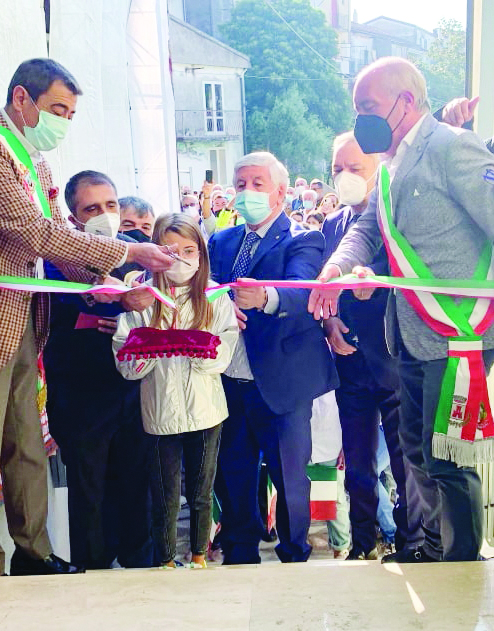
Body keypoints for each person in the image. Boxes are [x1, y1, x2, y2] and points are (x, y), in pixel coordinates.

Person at [309, 56, 494, 563]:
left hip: (457, 332)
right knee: (415, 450)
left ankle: (460, 566)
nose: (360, 119)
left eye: (368, 107)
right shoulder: (391, 168)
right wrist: (336, 268)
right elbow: (366, 230)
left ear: (405, 102)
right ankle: (432, 551)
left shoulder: (452, 148)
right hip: (410, 332)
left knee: (448, 459)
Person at [0, 58, 175, 577]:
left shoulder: (38, 164)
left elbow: (71, 249)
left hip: (26, 322)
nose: (64, 121)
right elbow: (40, 236)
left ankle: (33, 554)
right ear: (20, 100)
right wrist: (127, 254)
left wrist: (120, 289)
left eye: (71, 113)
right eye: (57, 109)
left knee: (25, 443)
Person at [208, 151, 338, 564]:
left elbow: (304, 290)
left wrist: (267, 297)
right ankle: (240, 553)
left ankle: (294, 554)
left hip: (281, 383)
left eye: (257, 184)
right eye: (240, 184)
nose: (246, 192)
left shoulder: (303, 238)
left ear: (281, 192)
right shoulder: (222, 240)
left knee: (289, 479)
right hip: (229, 380)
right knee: (234, 475)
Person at [43, 171, 155, 570]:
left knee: (135, 483)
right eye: (92, 208)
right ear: (73, 218)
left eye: (110, 205)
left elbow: (154, 303)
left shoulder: (134, 251)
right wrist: (117, 305)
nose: (104, 215)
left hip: (130, 389)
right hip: (80, 395)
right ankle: (92, 572)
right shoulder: (57, 258)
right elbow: (87, 298)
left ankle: (142, 567)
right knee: (89, 492)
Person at [113, 214, 238, 569]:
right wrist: (148, 353)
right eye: (170, 250)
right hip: (159, 411)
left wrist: (202, 354)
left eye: (189, 250)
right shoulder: (141, 298)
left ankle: (200, 555)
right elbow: (125, 354)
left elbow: (226, 343)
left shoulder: (215, 296)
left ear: (201, 253)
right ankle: (165, 560)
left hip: (206, 410)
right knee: (165, 494)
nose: (180, 259)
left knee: (201, 492)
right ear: (156, 253)